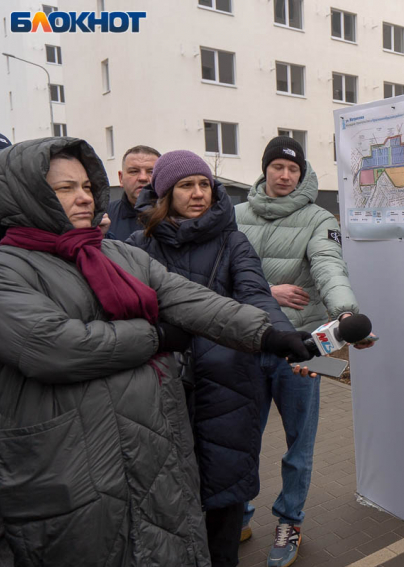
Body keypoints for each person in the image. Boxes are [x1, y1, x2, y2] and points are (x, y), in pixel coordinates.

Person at [0, 137, 312, 567]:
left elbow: (188, 298)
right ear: (27, 194)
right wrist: (157, 338)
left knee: (163, 538)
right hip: (70, 453)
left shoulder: (113, 252)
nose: (83, 198)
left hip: (148, 434)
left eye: (87, 187)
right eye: (64, 189)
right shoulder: (10, 266)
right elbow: (54, 346)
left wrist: (268, 336)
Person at [126, 150, 309, 567]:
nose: (198, 194)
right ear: (165, 193)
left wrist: (279, 336)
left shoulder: (231, 239)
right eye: (186, 186)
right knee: (169, 502)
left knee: (225, 498)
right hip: (161, 391)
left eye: (204, 184)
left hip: (228, 388)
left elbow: (255, 293)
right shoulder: (138, 247)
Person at [235, 136, 375, 567]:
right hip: (244, 342)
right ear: (265, 170)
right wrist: (267, 291)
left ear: (302, 173)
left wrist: (346, 315)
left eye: (292, 169)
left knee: (299, 444)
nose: (284, 175)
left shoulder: (318, 219)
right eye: (277, 166)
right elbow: (221, 272)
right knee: (240, 440)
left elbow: (329, 265)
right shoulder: (234, 215)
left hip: (301, 348)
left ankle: (289, 521)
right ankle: (236, 512)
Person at [106, 145, 160, 241]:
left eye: (151, 172)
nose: (143, 178)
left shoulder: (177, 217)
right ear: (120, 178)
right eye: (134, 171)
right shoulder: (104, 217)